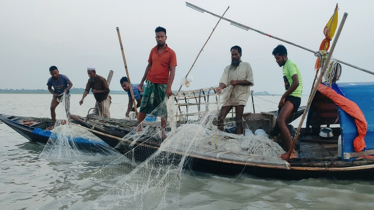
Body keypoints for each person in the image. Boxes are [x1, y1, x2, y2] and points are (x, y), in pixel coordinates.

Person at [137, 26, 177, 138]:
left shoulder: (171, 53)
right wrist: (141, 82)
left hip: (163, 84)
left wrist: (169, 87)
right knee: (144, 105)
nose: (160, 39)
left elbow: (173, 71)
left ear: (166, 37)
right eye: (158, 37)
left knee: (163, 109)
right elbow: (149, 65)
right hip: (150, 82)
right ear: (155, 37)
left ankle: (163, 131)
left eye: (162, 37)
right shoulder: (153, 50)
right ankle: (139, 126)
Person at [271, 44, 303, 160]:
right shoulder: (284, 67)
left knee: (280, 120)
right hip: (290, 96)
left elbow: (296, 83)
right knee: (280, 122)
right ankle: (280, 143)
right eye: (275, 58)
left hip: (294, 97)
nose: (276, 61)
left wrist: (283, 97)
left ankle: (291, 152)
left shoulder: (290, 65)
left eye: (278, 58)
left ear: (284, 56)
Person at [216, 45, 254, 135]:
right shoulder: (228, 68)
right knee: (220, 117)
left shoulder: (246, 66)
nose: (234, 57)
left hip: (241, 94)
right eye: (232, 55)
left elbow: (250, 81)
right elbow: (223, 82)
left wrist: (237, 82)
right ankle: (220, 137)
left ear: (240, 54)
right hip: (229, 95)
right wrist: (220, 88)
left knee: (238, 119)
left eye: (236, 54)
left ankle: (239, 138)